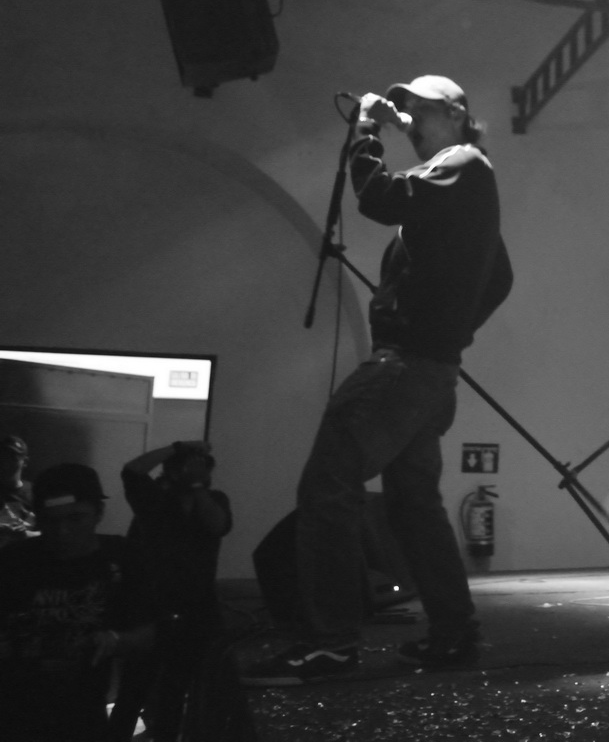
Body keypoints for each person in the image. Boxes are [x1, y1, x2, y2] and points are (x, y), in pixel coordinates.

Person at [242, 74, 513, 685]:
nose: (410, 119)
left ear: (457, 114)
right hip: (430, 368)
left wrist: (366, 130)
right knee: (414, 505)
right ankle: (453, 632)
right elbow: (500, 277)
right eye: (405, 110)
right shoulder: (461, 183)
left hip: (405, 365)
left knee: (327, 485)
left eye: (421, 110)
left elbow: (379, 197)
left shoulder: (461, 163)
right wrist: (452, 329)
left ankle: (330, 643)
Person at [0, 463, 157, 741]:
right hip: (15, 708)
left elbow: (151, 631)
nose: (63, 531)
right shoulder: (14, 561)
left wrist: (116, 640)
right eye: (51, 521)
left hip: (84, 711)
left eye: (75, 518)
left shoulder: (121, 559)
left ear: (99, 513)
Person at [109, 441, 231, 741]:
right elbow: (132, 471)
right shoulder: (155, 500)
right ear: (171, 471)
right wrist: (176, 448)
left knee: (174, 692)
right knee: (134, 689)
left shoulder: (214, 499)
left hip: (195, 610)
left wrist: (197, 486)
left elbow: (217, 525)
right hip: (150, 608)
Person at [0, 433, 35, 550]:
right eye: (3, 457)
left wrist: (25, 535)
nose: (6, 463)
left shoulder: (36, 492)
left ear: (25, 462)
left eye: (13, 458)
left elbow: (50, 532)